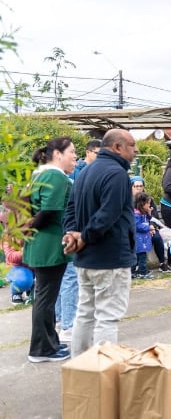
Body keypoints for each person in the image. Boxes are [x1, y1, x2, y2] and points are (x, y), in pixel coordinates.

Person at [62, 129, 137, 357]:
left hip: (85, 259)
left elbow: (71, 209)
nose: (135, 151)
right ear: (117, 147)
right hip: (110, 258)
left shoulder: (85, 172)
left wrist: (72, 234)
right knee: (107, 316)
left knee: (85, 313)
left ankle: (80, 366)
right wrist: (83, 237)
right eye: (132, 146)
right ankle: (103, 370)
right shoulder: (117, 174)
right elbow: (108, 214)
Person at [23, 137, 76, 362]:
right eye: (72, 152)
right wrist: (28, 228)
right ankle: (41, 349)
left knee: (45, 298)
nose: (75, 156)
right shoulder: (55, 176)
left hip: (40, 245)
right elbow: (48, 212)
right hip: (49, 245)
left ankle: (49, 343)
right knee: (46, 299)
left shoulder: (39, 174)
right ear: (57, 155)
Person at [57, 139, 100, 343]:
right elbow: (70, 208)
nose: (74, 158)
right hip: (69, 233)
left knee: (63, 279)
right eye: (71, 153)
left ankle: (60, 320)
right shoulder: (71, 176)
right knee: (70, 278)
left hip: (68, 231)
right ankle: (67, 324)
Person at [130, 176, 169, 271]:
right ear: (131, 187)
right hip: (135, 229)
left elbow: (154, 215)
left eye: (141, 186)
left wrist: (151, 225)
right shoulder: (127, 200)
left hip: (148, 227)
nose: (139, 188)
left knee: (156, 236)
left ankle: (162, 263)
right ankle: (136, 266)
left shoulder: (148, 200)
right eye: (136, 186)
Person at [132, 192, 155, 280]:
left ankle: (135, 272)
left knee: (139, 256)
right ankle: (142, 272)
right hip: (138, 239)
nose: (149, 205)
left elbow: (149, 219)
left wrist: (149, 213)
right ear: (142, 204)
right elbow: (137, 226)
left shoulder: (143, 213)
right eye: (148, 203)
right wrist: (148, 227)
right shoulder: (136, 215)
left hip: (143, 239)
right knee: (141, 257)